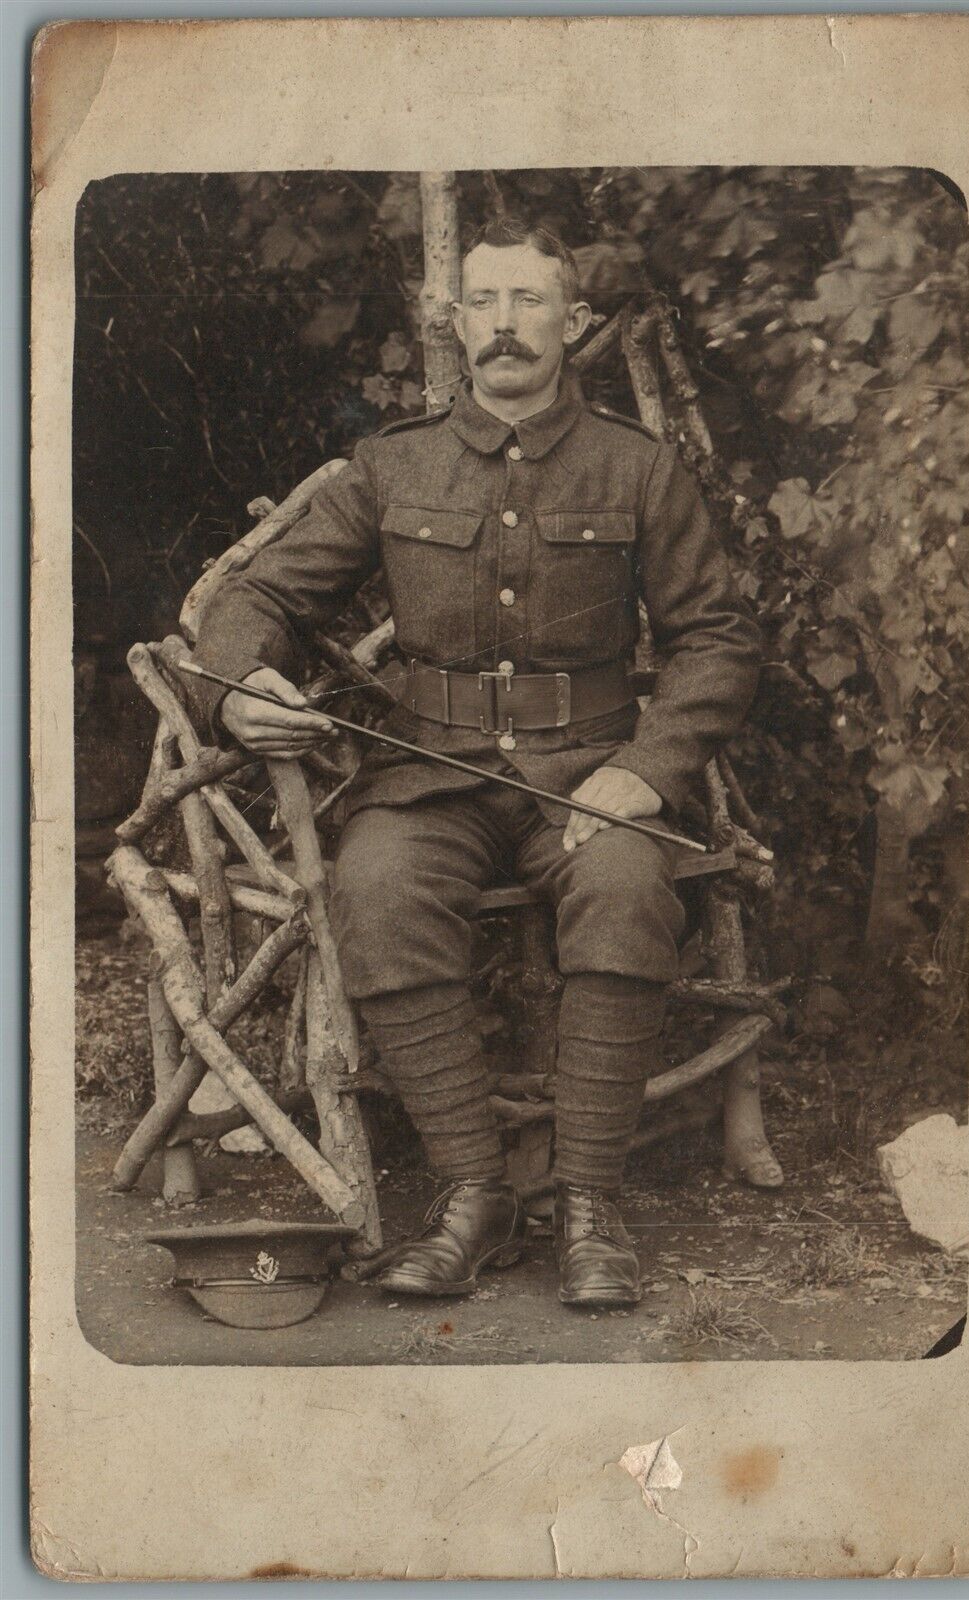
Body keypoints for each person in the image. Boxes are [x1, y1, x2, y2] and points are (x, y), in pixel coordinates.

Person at [190, 217, 762, 1308]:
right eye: (484, 303)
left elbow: (717, 639)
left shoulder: (639, 469)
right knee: (376, 883)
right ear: (452, 325)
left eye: (529, 302)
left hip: (590, 772)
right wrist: (236, 689)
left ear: (573, 323)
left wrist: (645, 768)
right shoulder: (391, 464)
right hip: (428, 776)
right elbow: (255, 595)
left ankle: (590, 1199)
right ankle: (472, 1191)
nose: (505, 326)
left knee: (626, 879)